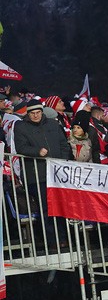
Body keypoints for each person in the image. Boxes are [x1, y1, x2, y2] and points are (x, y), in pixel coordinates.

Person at [13, 99, 72, 247]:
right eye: (32, 113)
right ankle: (52, 241)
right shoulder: (21, 127)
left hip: (56, 174)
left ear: (42, 112)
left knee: (60, 207)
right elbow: (21, 148)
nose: (35, 115)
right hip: (36, 175)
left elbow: (64, 145)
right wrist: (37, 152)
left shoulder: (53, 124)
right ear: (28, 114)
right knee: (46, 208)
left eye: (38, 112)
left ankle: (64, 238)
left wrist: (62, 161)